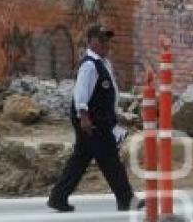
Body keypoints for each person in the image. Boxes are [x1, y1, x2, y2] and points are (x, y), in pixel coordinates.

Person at [48, 24, 142, 212]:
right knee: (110, 160)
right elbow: (81, 94)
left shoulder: (102, 63)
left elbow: (107, 94)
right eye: (101, 39)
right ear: (91, 41)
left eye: (107, 39)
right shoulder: (90, 65)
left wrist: (117, 115)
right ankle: (126, 199)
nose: (106, 43)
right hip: (92, 121)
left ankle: (58, 197)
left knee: (81, 159)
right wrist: (84, 118)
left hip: (99, 120)